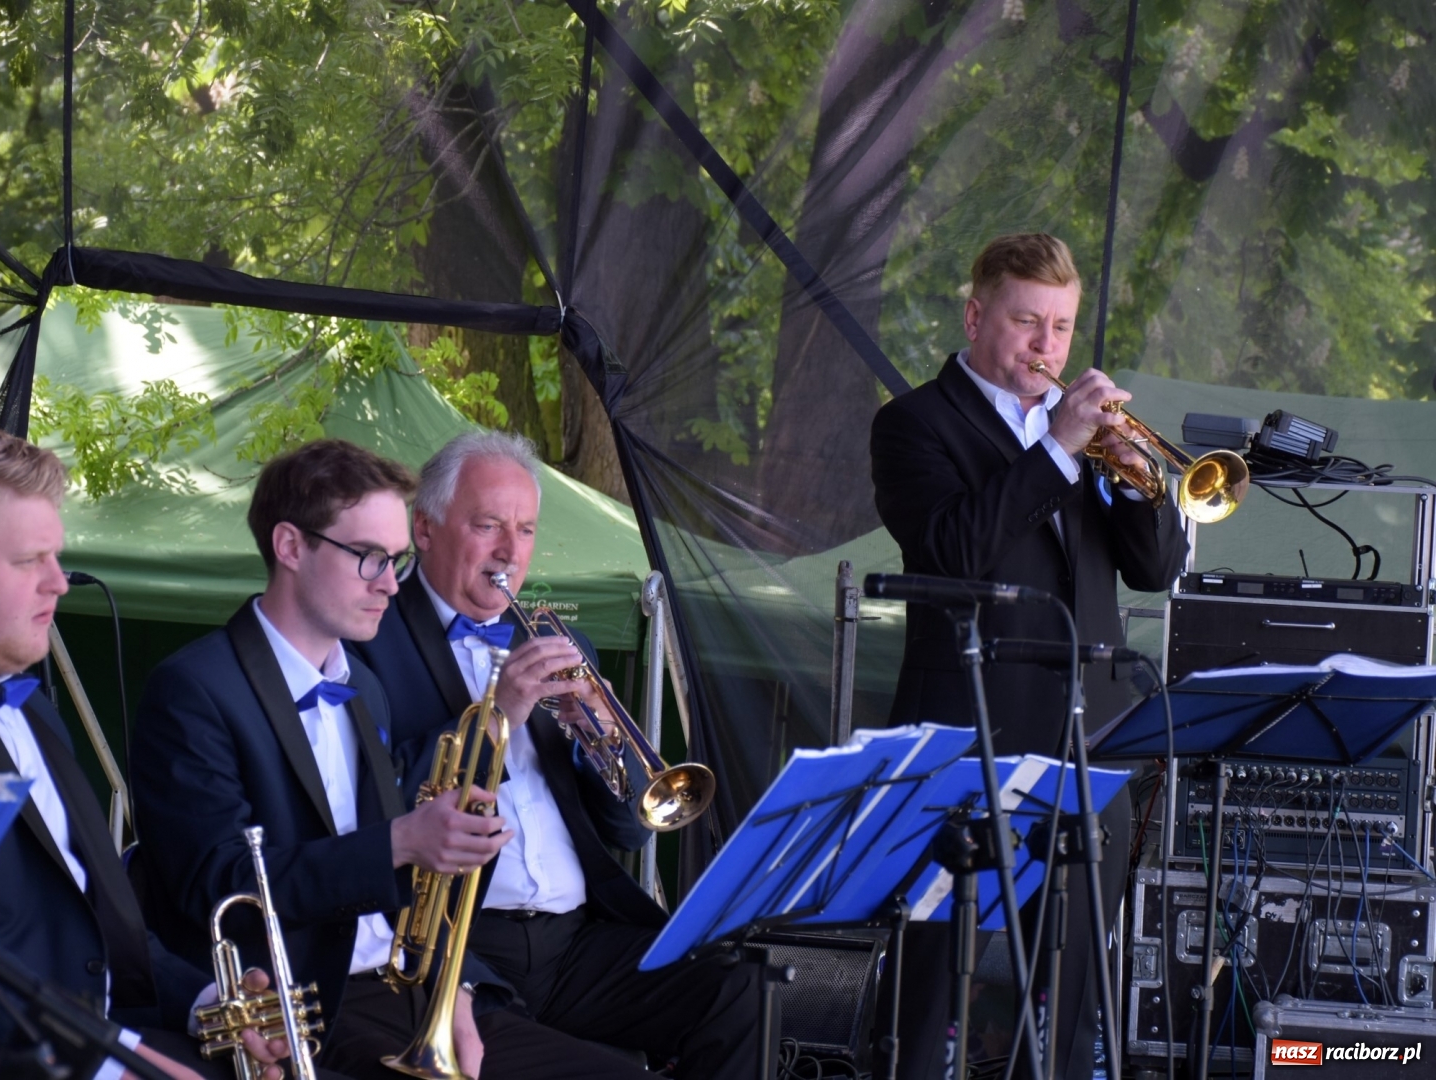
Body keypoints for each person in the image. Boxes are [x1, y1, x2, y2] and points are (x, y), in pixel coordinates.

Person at [130, 438, 656, 1080]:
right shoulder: (193, 687)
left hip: (414, 982)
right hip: (307, 993)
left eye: (395, 559)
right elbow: (215, 882)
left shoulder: (362, 687)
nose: (389, 582)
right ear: (291, 547)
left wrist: (455, 986)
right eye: (370, 558)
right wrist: (399, 843)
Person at [0, 427, 292, 1080]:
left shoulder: (27, 701)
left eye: (55, 557)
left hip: (94, 1037)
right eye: (27, 561)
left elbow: (98, 921)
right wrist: (112, 1065)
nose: (58, 584)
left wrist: (213, 1004)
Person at [868, 234, 1187, 1079]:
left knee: (1067, 994)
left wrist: (1129, 477)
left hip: (1090, 747)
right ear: (976, 316)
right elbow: (951, 550)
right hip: (967, 740)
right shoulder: (912, 424)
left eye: (1060, 327)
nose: (1045, 346)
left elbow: (1154, 571)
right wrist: (1055, 450)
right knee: (934, 984)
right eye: (1025, 322)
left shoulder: (1083, 437)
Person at [354, 431, 766, 1080]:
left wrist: (593, 739)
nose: (508, 551)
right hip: (459, 942)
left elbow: (630, 827)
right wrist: (499, 715)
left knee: (737, 990)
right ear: (425, 529)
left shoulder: (560, 642)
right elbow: (373, 804)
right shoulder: (369, 638)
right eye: (487, 524)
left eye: (524, 529)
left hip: (575, 940)